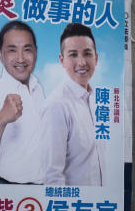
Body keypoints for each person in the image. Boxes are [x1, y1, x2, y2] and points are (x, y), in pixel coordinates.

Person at [0, 20, 46, 184]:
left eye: (27, 50)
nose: (21, 58)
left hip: (43, 189)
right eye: (12, 50)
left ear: (35, 52)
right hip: (10, 189)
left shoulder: (37, 87)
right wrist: (0, 121)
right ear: (1, 54)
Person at [40, 23, 106, 186]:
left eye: (87, 53)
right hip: (75, 208)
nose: (82, 62)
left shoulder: (100, 102)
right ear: (62, 60)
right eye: (73, 55)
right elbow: (52, 176)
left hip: (100, 205)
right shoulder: (57, 106)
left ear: (96, 58)